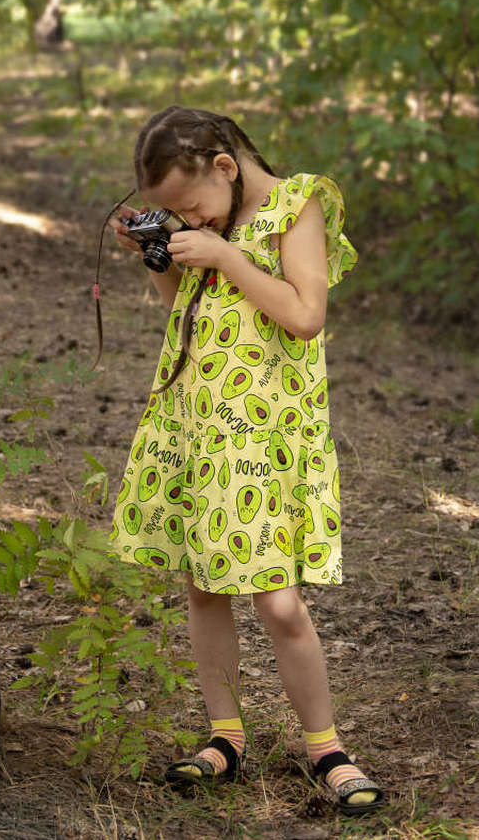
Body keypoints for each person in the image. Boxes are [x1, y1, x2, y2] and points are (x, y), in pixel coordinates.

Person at [106, 106, 383, 816]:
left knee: (277, 598)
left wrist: (227, 255)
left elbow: (305, 313)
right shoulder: (214, 227)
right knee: (205, 583)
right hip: (201, 420)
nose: (190, 219)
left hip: (266, 435)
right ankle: (224, 735)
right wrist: (161, 258)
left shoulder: (299, 205)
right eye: (173, 214)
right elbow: (185, 308)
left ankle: (325, 744)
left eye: (190, 206)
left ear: (225, 168)